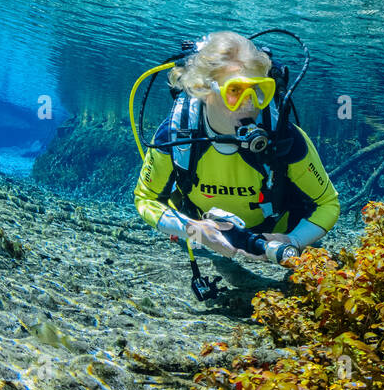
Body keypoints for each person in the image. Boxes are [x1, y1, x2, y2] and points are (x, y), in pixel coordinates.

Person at [132, 30, 338, 265]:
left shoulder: (283, 137)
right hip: (207, 235)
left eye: (259, 90)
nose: (249, 105)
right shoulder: (176, 135)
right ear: (203, 89)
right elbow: (145, 198)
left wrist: (293, 240)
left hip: (274, 241)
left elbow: (328, 204)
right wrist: (196, 231)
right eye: (235, 91)